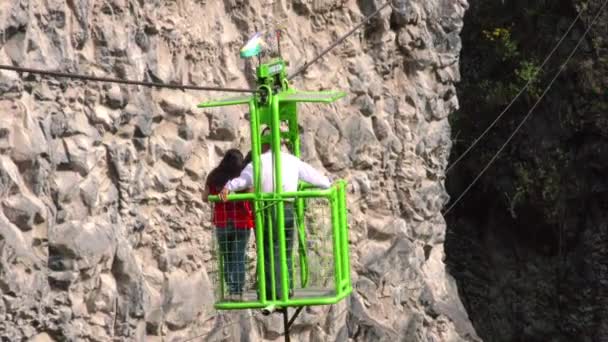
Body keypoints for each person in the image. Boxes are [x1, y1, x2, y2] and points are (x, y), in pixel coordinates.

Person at [219, 131, 331, 304]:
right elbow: (314, 177)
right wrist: (329, 184)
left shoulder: (258, 162)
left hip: (266, 208)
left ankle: (273, 291)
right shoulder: (291, 160)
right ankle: (288, 287)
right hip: (286, 206)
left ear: (264, 144)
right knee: (285, 249)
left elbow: (243, 181)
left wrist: (228, 187)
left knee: (268, 250)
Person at [202, 149, 254, 301]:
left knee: (227, 256)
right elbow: (251, 193)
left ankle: (230, 288)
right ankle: (237, 290)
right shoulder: (242, 175)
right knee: (239, 255)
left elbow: (205, 197)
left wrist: (217, 196)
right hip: (241, 220)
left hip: (222, 221)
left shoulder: (213, 176)